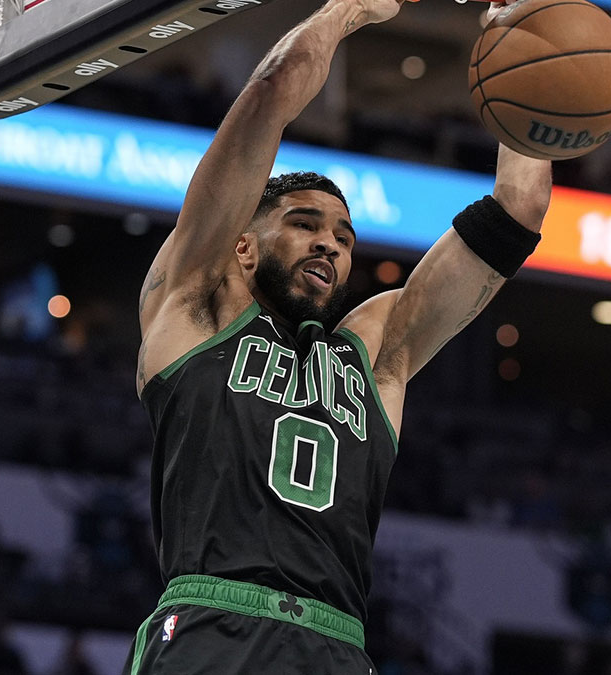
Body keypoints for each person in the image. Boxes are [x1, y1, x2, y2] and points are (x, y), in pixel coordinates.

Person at [125, 0, 551, 671]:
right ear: (240, 245)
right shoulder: (195, 300)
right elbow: (270, 92)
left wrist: (526, 44)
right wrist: (350, 9)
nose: (329, 243)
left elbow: (519, 208)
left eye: (345, 238)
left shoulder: (375, 349)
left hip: (339, 644)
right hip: (215, 624)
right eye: (304, 224)